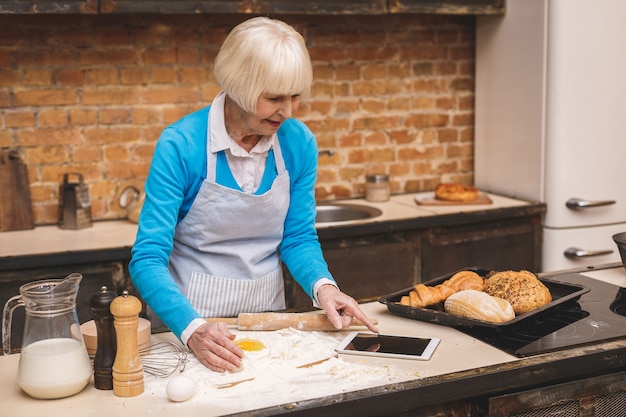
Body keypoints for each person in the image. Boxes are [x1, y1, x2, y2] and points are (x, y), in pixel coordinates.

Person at [129, 16, 378, 373]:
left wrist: (324, 287)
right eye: (273, 98)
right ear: (238, 86)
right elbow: (147, 258)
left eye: (294, 97)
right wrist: (192, 329)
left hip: (269, 322)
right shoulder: (181, 145)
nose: (287, 111)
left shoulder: (297, 143)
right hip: (189, 326)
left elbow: (297, 237)